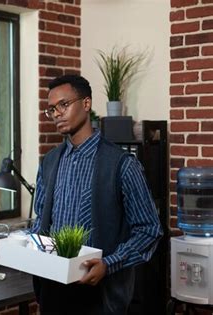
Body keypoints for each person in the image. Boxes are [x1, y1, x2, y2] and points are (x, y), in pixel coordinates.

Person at [30, 74, 163, 315]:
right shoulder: (48, 162)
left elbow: (149, 230)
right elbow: (41, 221)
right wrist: (25, 246)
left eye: (64, 104)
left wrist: (109, 264)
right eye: (51, 109)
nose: (57, 113)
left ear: (87, 104)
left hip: (100, 296)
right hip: (52, 291)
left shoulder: (122, 164)